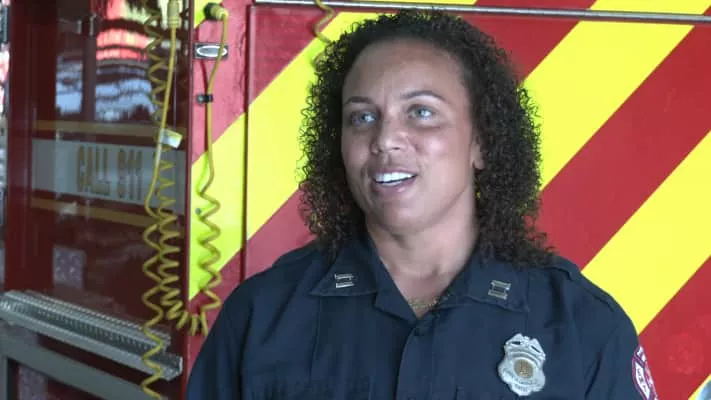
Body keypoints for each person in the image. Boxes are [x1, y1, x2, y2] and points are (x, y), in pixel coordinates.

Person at [187, 10, 659, 400]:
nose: (385, 138)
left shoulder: (583, 326)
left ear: (482, 142)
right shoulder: (261, 316)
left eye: (421, 112)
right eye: (362, 117)